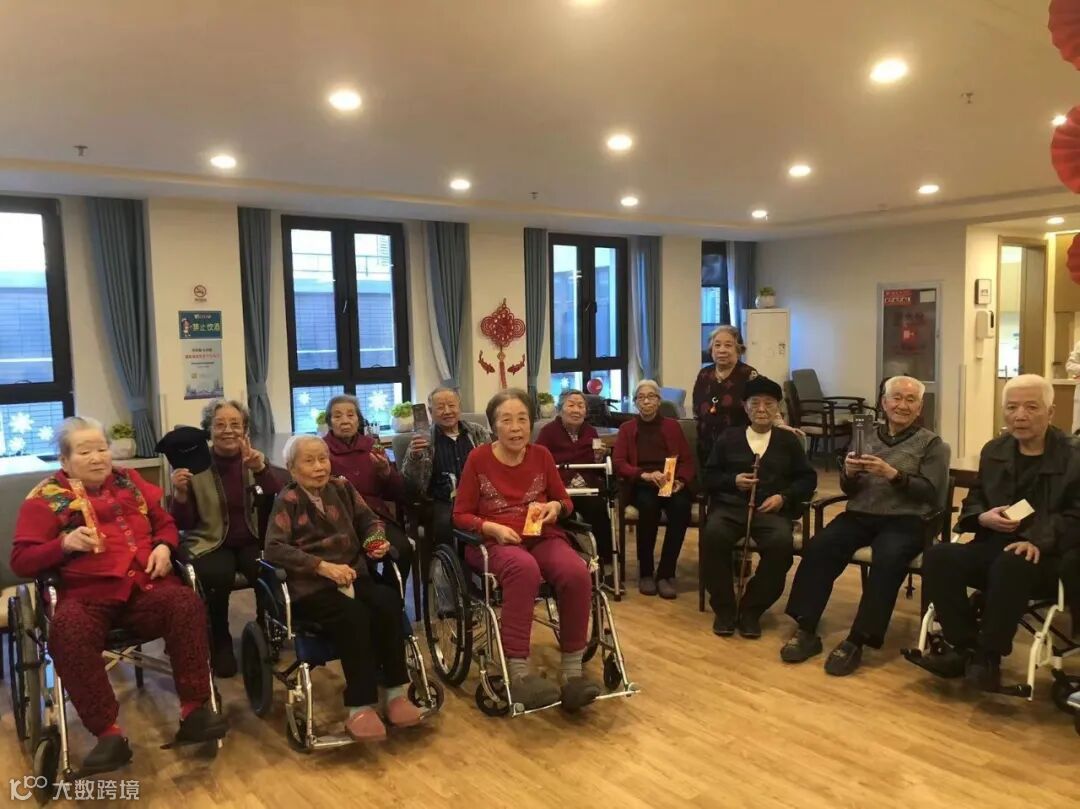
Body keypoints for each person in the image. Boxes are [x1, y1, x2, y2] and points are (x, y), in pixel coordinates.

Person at [11, 417, 227, 776]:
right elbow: (21, 560)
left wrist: (163, 546)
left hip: (146, 588)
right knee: (69, 628)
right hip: (85, 597)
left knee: (185, 602)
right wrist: (63, 544)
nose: (97, 457)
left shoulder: (130, 481)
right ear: (64, 460)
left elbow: (165, 522)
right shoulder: (46, 498)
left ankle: (194, 710)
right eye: (85, 452)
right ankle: (108, 734)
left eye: (101, 448)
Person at [911, 374, 1080, 691]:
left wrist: (1037, 539)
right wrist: (982, 517)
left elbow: (1076, 514)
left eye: (1031, 407)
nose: (1020, 415)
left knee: (1011, 563)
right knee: (939, 556)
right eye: (1012, 407)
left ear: (1051, 412)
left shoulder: (1074, 456)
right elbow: (975, 498)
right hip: (994, 543)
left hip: (1048, 555)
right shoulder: (994, 450)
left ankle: (988, 657)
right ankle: (963, 646)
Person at [263, 435, 426, 741]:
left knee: (388, 601)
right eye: (309, 461)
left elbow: (370, 521)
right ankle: (360, 707)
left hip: (352, 574)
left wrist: (375, 542)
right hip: (312, 586)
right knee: (354, 616)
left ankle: (395, 693)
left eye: (322, 459)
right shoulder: (288, 500)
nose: (319, 467)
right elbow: (273, 548)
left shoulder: (342, 488)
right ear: (292, 468)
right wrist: (321, 566)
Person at [781, 376, 947, 674]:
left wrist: (893, 474)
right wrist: (848, 473)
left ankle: (858, 638)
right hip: (861, 513)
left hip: (906, 520)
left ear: (920, 407)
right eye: (896, 398)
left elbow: (932, 493)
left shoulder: (932, 444)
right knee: (821, 545)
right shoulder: (864, 434)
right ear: (884, 402)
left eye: (911, 400)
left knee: (889, 556)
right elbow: (849, 489)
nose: (902, 405)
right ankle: (806, 627)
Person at [453, 389, 600, 712]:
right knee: (524, 570)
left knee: (576, 571)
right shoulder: (478, 459)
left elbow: (564, 500)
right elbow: (460, 514)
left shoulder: (541, 455)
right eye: (506, 420)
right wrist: (490, 527)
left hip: (541, 535)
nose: (516, 427)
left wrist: (555, 507)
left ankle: (572, 672)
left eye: (522, 419)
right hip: (495, 542)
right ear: (493, 426)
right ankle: (518, 673)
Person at [169, 399, 281, 678]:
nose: (228, 430)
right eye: (220, 424)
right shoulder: (194, 465)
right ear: (209, 430)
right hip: (210, 540)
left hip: (252, 539)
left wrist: (261, 470)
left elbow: (278, 501)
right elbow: (183, 523)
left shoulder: (254, 459)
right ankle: (220, 639)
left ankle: (265, 631)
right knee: (215, 574)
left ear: (245, 430)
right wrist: (180, 495)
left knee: (267, 568)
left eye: (235, 424)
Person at [700, 376, 817, 638]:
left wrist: (783, 497)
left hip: (770, 511)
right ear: (745, 407)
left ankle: (752, 609)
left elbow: (807, 479)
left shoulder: (788, 441)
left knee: (780, 545)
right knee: (713, 537)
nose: (762, 409)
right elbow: (708, 476)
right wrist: (733, 480)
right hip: (730, 508)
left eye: (769, 403)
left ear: (778, 408)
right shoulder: (729, 437)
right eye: (755, 403)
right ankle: (725, 609)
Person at [613, 379, 696, 599]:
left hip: (670, 481)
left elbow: (687, 460)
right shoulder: (627, 429)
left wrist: (681, 481)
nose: (646, 401)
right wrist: (644, 474)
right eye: (641, 397)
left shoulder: (672, 426)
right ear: (635, 402)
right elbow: (619, 462)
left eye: (651, 396)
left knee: (681, 508)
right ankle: (646, 572)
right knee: (648, 507)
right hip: (642, 483)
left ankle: (666, 573)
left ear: (659, 401)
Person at [324, 394, 413, 586]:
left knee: (402, 549)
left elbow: (397, 492)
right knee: (355, 558)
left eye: (351, 415)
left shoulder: (373, 446)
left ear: (359, 420)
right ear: (329, 422)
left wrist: (386, 472)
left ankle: (391, 597)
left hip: (375, 518)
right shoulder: (322, 450)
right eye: (337, 416)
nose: (345, 421)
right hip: (339, 521)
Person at [535, 389, 615, 577]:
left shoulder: (590, 431)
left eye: (581, 406)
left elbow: (595, 464)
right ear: (560, 409)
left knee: (599, 511)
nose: (576, 410)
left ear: (586, 412)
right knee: (563, 517)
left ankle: (606, 565)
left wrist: (601, 455)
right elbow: (538, 460)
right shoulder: (548, 432)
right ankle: (573, 563)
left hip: (586, 488)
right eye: (571, 405)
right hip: (559, 490)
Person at [401, 386, 491, 546]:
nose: (447, 411)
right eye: (440, 407)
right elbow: (410, 483)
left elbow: (492, 465)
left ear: (459, 407)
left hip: (478, 496)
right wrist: (415, 458)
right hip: (442, 500)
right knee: (445, 526)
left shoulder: (477, 432)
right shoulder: (423, 439)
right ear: (430, 412)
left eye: (451, 405)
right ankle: (450, 560)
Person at [692, 325, 758, 468]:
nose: (722, 350)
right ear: (711, 349)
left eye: (728, 345)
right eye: (717, 345)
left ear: (738, 350)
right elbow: (697, 409)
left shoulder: (749, 374)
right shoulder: (704, 374)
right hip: (706, 446)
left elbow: (764, 403)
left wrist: (780, 424)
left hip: (739, 448)